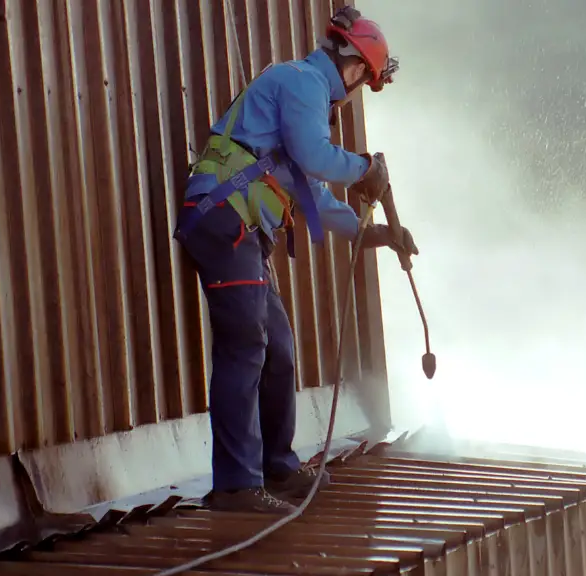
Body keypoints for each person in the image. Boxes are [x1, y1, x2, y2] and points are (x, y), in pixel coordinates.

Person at [172, 6, 418, 513]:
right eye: (362, 80)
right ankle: (237, 486)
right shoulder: (302, 82)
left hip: (241, 230)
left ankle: (277, 466)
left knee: (277, 345)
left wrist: (374, 233)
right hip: (224, 220)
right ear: (353, 68)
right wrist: (365, 167)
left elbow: (316, 197)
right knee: (246, 346)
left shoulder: (299, 98)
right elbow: (314, 156)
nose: (354, 92)